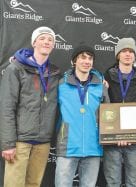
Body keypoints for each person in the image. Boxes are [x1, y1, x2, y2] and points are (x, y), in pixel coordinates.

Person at [0, 26, 60, 187]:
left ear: (53, 45)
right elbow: (6, 108)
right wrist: (8, 144)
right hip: (20, 141)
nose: (47, 42)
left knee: (34, 184)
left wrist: (100, 79)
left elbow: (77, 78)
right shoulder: (16, 68)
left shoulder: (54, 74)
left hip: (43, 142)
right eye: (42, 38)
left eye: (50, 40)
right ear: (34, 42)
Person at [55, 44, 109, 187]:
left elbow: (108, 115)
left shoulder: (101, 86)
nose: (87, 61)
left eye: (90, 58)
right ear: (74, 61)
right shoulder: (61, 84)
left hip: (93, 147)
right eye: (83, 58)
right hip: (68, 146)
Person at [103, 37, 136, 187]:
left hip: (135, 140)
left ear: (135, 55)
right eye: (124, 51)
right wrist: (117, 134)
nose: (128, 54)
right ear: (118, 55)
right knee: (113, 182)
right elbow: (102, 107)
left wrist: (130, 134)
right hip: (111, 140)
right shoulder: (106, 77)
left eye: (131, 51)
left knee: (134, 182)